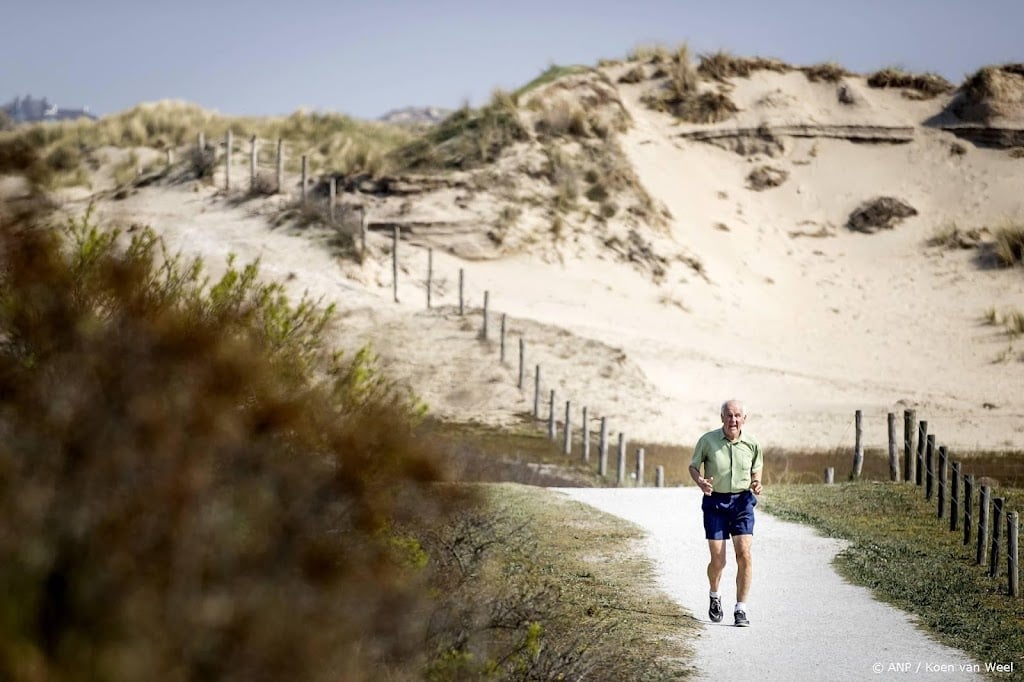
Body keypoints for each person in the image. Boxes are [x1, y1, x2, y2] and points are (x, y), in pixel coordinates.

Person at [688, 399, 763, 627]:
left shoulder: (752, 442)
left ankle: (741, 609)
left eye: (737, 415)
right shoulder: (707, 440)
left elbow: (757, 466)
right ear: (722, 417)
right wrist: (700, 481)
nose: (733, 420)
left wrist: (756, 482)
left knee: (745, 555)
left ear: (744, 419)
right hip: (715, 504)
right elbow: (693, 466)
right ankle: (714, 595)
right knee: (718, 560)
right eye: (729, 415)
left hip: (742, 503)